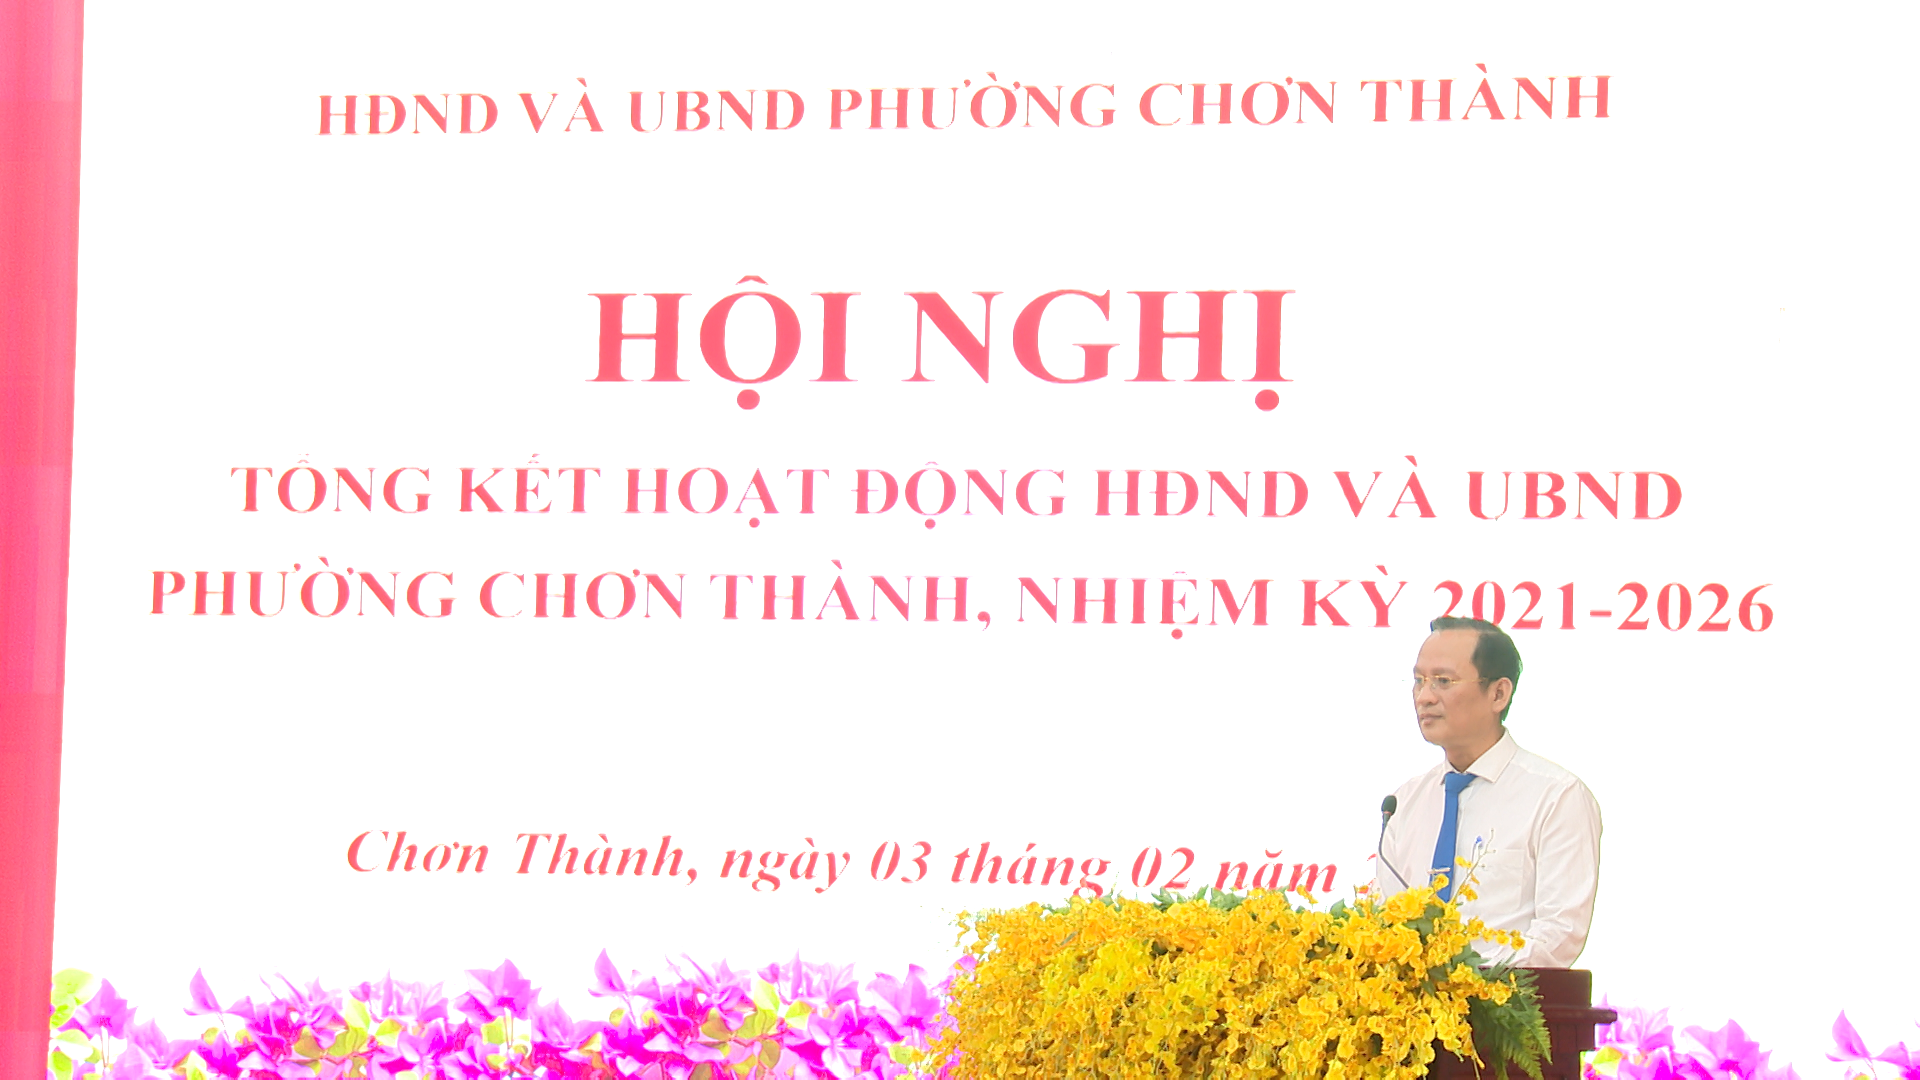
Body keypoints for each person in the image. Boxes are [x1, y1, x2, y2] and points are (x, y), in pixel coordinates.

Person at [1374, 616, 1602, 967]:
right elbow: (1384, 921)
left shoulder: (1557, 797)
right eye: (1419, 681)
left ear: (1498, 693)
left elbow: (1559, 936)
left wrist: (1466, 979)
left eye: (1443, 681)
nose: (1425, 697)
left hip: (1504, 998)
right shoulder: (1405, 802)